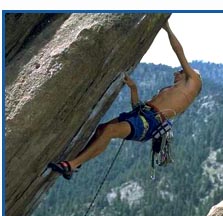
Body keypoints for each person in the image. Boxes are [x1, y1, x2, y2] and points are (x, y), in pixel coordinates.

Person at [48, 21, 202, 180]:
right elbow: (137, 106)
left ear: (187, 74)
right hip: (142, 115)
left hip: (149, 122)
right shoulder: (170, 90)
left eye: (179, 71)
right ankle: (77, 163)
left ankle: (71, 165)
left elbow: (179, 52)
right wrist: (133, 89)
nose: (175, 73)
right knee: (102, 129)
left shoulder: (193, 82)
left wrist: (167, 28)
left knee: (109, 131)